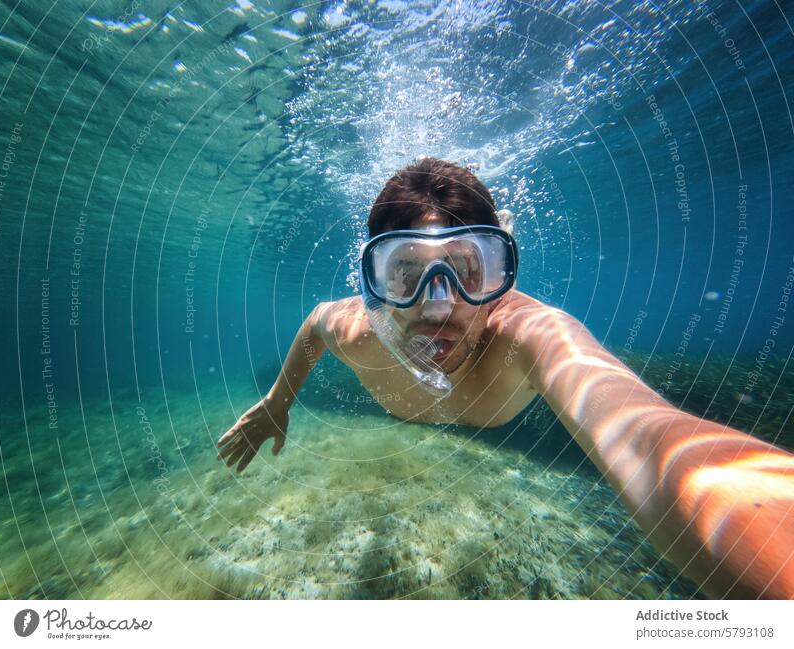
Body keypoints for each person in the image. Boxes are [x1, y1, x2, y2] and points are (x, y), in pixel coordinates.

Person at [217, 157, 794, 599]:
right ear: (374, 280)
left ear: (500, 270)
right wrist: (277, 401)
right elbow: (315, 325)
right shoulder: (359, 332)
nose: (438, 306)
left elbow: (649, 437)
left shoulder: (529, 338)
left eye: (469, 269)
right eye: (406, 275)